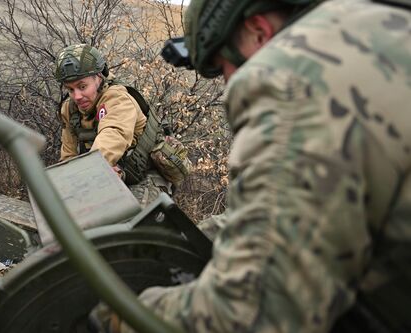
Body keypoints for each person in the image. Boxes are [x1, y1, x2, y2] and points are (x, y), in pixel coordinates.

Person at [98, 0, 411, 332]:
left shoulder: (294, 76)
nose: (226, 85)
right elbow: (306, 214)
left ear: (259, 32)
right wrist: (185, 240)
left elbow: (253, 312)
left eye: (221, 68)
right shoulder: (378, 26)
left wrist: (121, 315)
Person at [54, 44, 172, 206]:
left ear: (99, 78)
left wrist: (89, 174)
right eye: (70, 89)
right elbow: (68, 157)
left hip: (145, 176)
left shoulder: (118, 99)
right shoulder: (70, 109)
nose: (77, 96)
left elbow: (113, 135)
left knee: (134, 220)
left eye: (82, 87)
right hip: (106, 174)